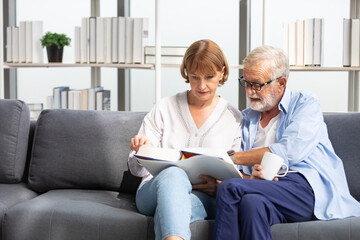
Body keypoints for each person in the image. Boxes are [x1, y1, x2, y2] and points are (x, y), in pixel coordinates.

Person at [213, 45, 360, 240]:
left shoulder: (306, 103)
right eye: (246, 83)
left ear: (281, 83)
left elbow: (289, 152)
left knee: (229, 187)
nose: (249, 91)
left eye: (257, 84)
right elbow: (248, 175)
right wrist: (248, 178)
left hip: (306, 189)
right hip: (269, 189)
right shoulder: (246, 119)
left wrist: (231, 159)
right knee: (251, 204)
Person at [128, 39, 242, 240]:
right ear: (186, 72)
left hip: (207, 196)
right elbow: (137, 170)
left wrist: (219, 185)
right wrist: (140, 152)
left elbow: (238, 173)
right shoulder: (165, 108)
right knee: (174, 174)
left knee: (173, 208)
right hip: (152, 191)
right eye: (194, 77)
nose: (202, 85)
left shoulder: (234, 118)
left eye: (209, 77)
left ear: (222, 72)